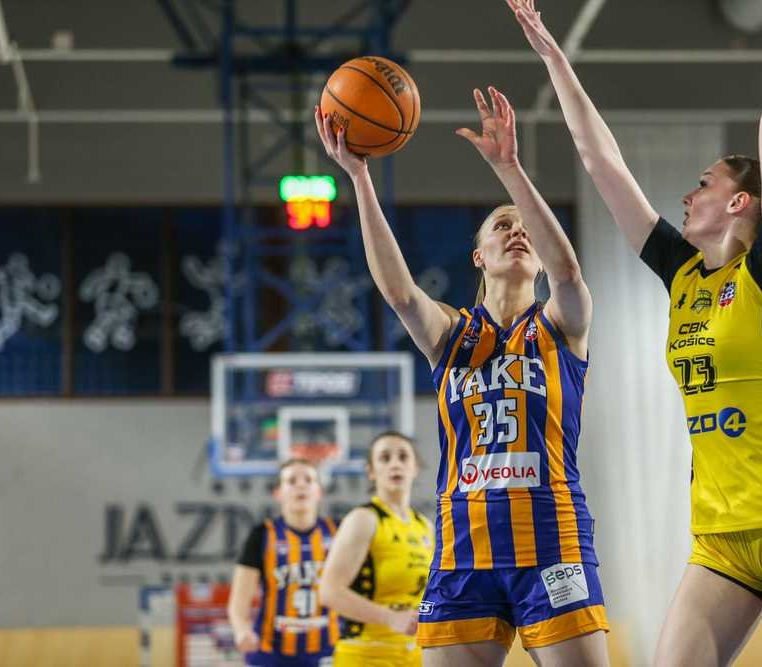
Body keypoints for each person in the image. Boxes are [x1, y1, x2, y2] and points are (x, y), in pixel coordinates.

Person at [507, 0, 762, 665]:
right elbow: (602, 163)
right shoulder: (682, 273)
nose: (687, 196)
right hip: (719, 538)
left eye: (704, 184)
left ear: (739, 202)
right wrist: (553, 54)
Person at [315, 84, 609, 666]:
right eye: (502, 225)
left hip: (551, 540)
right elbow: (399, 292)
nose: (516, 230)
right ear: (478, 256)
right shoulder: (452, 333)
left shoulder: (560, 325)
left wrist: (510, 171)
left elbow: (569, 274)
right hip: (463, 548)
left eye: (524, 226)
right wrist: (360, 178)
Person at [317, 431, 432, 667]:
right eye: (385, 458)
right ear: (371, 471)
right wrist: (390, 618)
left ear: (415, 467)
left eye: (403, 457)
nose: (395, 464)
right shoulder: (363, 519)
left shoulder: (425, 526)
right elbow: (329, 591)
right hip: (366, 654)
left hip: (415, 654)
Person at [228, 458, 338, 667]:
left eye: (308, 480)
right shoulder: (262, 534)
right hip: (271, 652)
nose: (301, 485)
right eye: (292, 480)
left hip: (327, 648)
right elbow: (239, 601)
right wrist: (242, 630)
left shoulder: (338, 532)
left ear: (319, 492)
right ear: (278, 493)